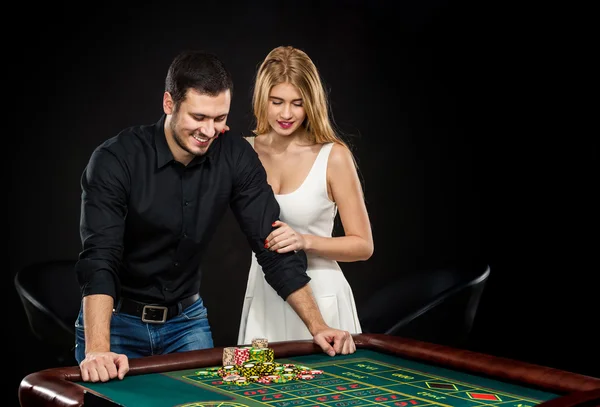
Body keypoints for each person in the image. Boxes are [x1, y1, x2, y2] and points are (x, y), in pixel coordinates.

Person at [74, 49, 356, 384]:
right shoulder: (115, 159)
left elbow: (271, 245)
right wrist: (98, 349)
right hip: (117, 322)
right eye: (198, 117)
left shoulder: (235, 156)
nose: (209, 131)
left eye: (219, 119)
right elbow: (100, 258)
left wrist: (318, 326)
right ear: (169, 104)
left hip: (186, 322)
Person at [237, 46, 374, 345]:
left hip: (322, 296)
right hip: (264, 297)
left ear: (311, 104)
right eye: (277, 102)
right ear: (262, 99)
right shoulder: (243, 152)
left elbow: (363, 245)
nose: (286, 114)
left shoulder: (334, 156)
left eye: (297, 104)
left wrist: (304, 241)